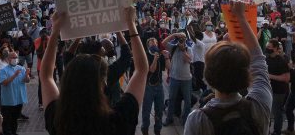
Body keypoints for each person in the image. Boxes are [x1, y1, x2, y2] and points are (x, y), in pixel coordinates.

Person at [41, 7, 149, 135]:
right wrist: (130, 25)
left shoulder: (58, 120)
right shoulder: (118, 120)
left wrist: (55, 32)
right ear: (103, 82)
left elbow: (46, 75)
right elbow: (141, 69)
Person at [184, 1, 272, 135]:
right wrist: (241, 17)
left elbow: (257, 61)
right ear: (246, 75)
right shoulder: (260, 103)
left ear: (208, 76)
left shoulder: (198, 120)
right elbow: (258, 61)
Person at [162, 32, 193, 126]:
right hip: (174, 77)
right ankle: (169, 118)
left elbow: (189, 60)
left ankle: (185, 120)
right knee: (171, 99)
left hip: (186, 79)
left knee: (188, 101)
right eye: (180, 38)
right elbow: (163, 43)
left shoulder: (189, 49)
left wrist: (183, 49)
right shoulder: (173, 47)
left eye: (183, 39)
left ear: (186, 40)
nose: (181, 40)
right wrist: (174, 35)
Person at [141, 37, 171, 135]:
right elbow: (152, 70)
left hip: (159, 86)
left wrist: (166, 57)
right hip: (148, 87)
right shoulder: (146, 55)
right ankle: (145, 130)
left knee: (159, 110)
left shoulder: (160, 54)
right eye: (151, 42)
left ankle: (157, 130)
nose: (154, 44)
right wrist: (155, 59)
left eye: (155, 42)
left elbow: (168, 67)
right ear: (148, 45)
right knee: (146, 111)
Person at [0, 51, 30, 135]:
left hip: (18, 99)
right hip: (8, 100)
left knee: (15, 119)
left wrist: (26, 75)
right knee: (7, 120)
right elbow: (4, 82)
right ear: (8, 59)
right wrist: (14, 75)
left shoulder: (21, 68)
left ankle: (14, 132)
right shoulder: (3, 70)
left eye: (16, 57)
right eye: (13, 57)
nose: (15, 59)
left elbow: (26, 80)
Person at [266, 39, 290, 135]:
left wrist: (270, 76)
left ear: (275, 48)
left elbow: (286, 78)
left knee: (277, 113)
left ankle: (277, 132)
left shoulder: (282, 61)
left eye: (269, 47)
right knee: (267, 112)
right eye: (267, 47)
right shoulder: (266, 59)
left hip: (278, 91)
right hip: (268, 90)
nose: (267, 49)